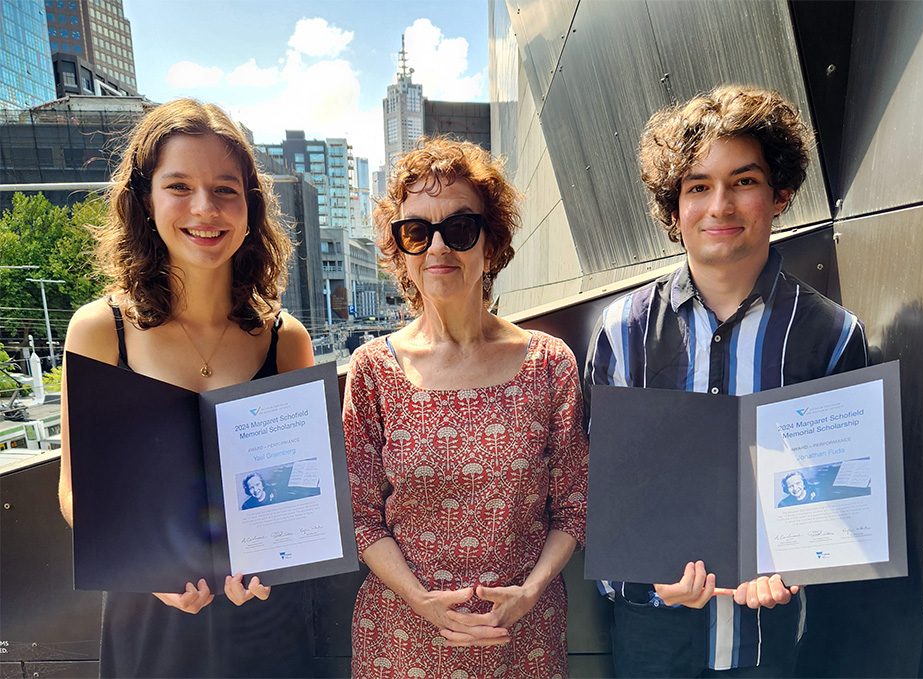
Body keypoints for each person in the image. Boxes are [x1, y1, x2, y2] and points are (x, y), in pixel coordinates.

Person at [585, 85, 868, 677]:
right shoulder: (621, 332)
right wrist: (649, 578)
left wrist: (797, 567)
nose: (720, 206)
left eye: (743, 181)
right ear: (674, 208)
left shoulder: (830, 336)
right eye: (697, 186)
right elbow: (597, 488)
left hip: (770, 644)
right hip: (650, 642)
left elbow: (842, 494)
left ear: (780, 193)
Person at [57, 99, 316, 678]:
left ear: (250, 207)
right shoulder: (101, 330)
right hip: (150, 618)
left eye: (226, 188)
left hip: (263, 620)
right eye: (179, 186)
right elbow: (76, 493)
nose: (205, 208)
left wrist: (279, 561)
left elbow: (299, 494)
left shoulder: (285, 339)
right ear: (145, 201)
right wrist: (152, 570)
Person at [343, 138, 588, 677]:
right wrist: (419, 600)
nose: (438, 248)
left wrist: (530, 592)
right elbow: (361, 519)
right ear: (400, 250)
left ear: (491, 244)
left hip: (522, 642)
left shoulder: (549, 364)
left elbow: (574, 507)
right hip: (401, 644)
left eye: (459, 229)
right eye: (416, 231)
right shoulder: (372, 371)